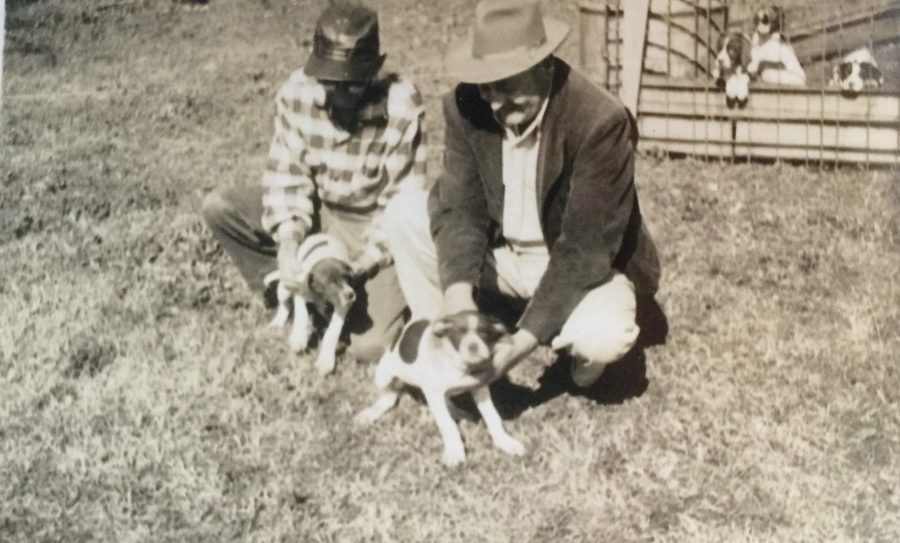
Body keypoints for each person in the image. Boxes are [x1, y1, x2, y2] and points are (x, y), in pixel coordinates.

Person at [382, 0, 661, 388]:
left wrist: (518, 347)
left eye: (508, 86)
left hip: (584, 265)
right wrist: (457, 298)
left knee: (604, 337)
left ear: (545, 66)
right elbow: (461, 210)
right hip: (507, 256)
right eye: (487, 86)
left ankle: (573, 357)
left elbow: (584, 251)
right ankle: (441, 340)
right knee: (402, 212)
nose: (496, 102)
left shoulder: (601, 121)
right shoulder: (465, 104)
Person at [202, 0, 427, 363]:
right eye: (329, 80)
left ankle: (330, 295)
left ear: (375, 68)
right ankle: (287, 284)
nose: (339, 93)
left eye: (353, 85)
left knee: (370, 348)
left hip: (368, 225)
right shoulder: (297, 91)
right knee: (221, 207)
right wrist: (289, 240)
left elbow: (401, 206)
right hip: (318, 210)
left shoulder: (402, 103)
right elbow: (286, 177)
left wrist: (362, 263)